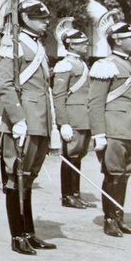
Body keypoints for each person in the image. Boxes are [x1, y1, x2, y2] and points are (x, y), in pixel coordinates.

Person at [0, 0, 58, 255]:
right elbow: (5, 85)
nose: (46, 22)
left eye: (45, 18)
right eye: (40, 18)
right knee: (15, 178)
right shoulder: (13, 43)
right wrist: (18, 119)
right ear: (25, 18)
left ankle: (29, 232)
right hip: (24, 122)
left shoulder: (37, 45)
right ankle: (17, 235)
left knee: (28, 178)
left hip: (40, 120)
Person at [88, 21, 131, 237]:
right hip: (114, 130)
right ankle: (109, 219)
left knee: (124, 175)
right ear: (117, 40)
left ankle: (120, 217)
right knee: (113, 174)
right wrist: (99, 134)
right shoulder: (105, 65)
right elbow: (95, 102)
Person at [52, 26, 92, 209]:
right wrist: (63, 123)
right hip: (73, 118)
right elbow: (59, 95)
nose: (86, 45)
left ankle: (76, 193)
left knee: (78, 157)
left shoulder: (82, 63)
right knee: (70, 157)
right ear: (71, 45)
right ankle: (67, 195)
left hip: (84, 117)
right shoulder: (65, 65)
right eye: (81, 43)